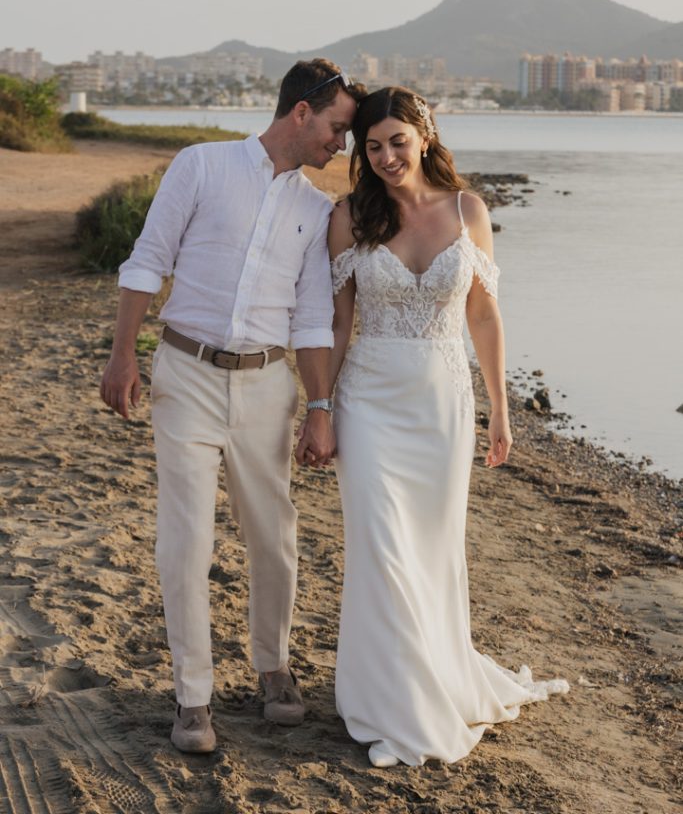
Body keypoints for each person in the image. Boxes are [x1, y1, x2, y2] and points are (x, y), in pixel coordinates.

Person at [100, 58, 364, 753]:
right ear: (301, 112)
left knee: (273, 534)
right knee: (185, 542)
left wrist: (318, 407)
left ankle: (272, 665)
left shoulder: (316, 210)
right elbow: (148, 258)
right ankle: (193, 696)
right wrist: (123, 353)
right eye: (337, 129)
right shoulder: (202, 165)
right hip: (184, 373)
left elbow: (311, 317)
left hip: (265, 386)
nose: (339, 145)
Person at [328, 87, 568, 768]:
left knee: (431, 553)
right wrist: (316, 406)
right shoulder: (349, 217)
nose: (383, 157)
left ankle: (432, 675)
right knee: (382, 550)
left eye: (395, 141)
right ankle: (389, 700)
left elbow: (483, 317)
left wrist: (500, 406)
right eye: (370, 146)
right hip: (367, 401)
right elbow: (337, 320)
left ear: (424, 137)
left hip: (440, 407)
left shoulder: (468, 210)